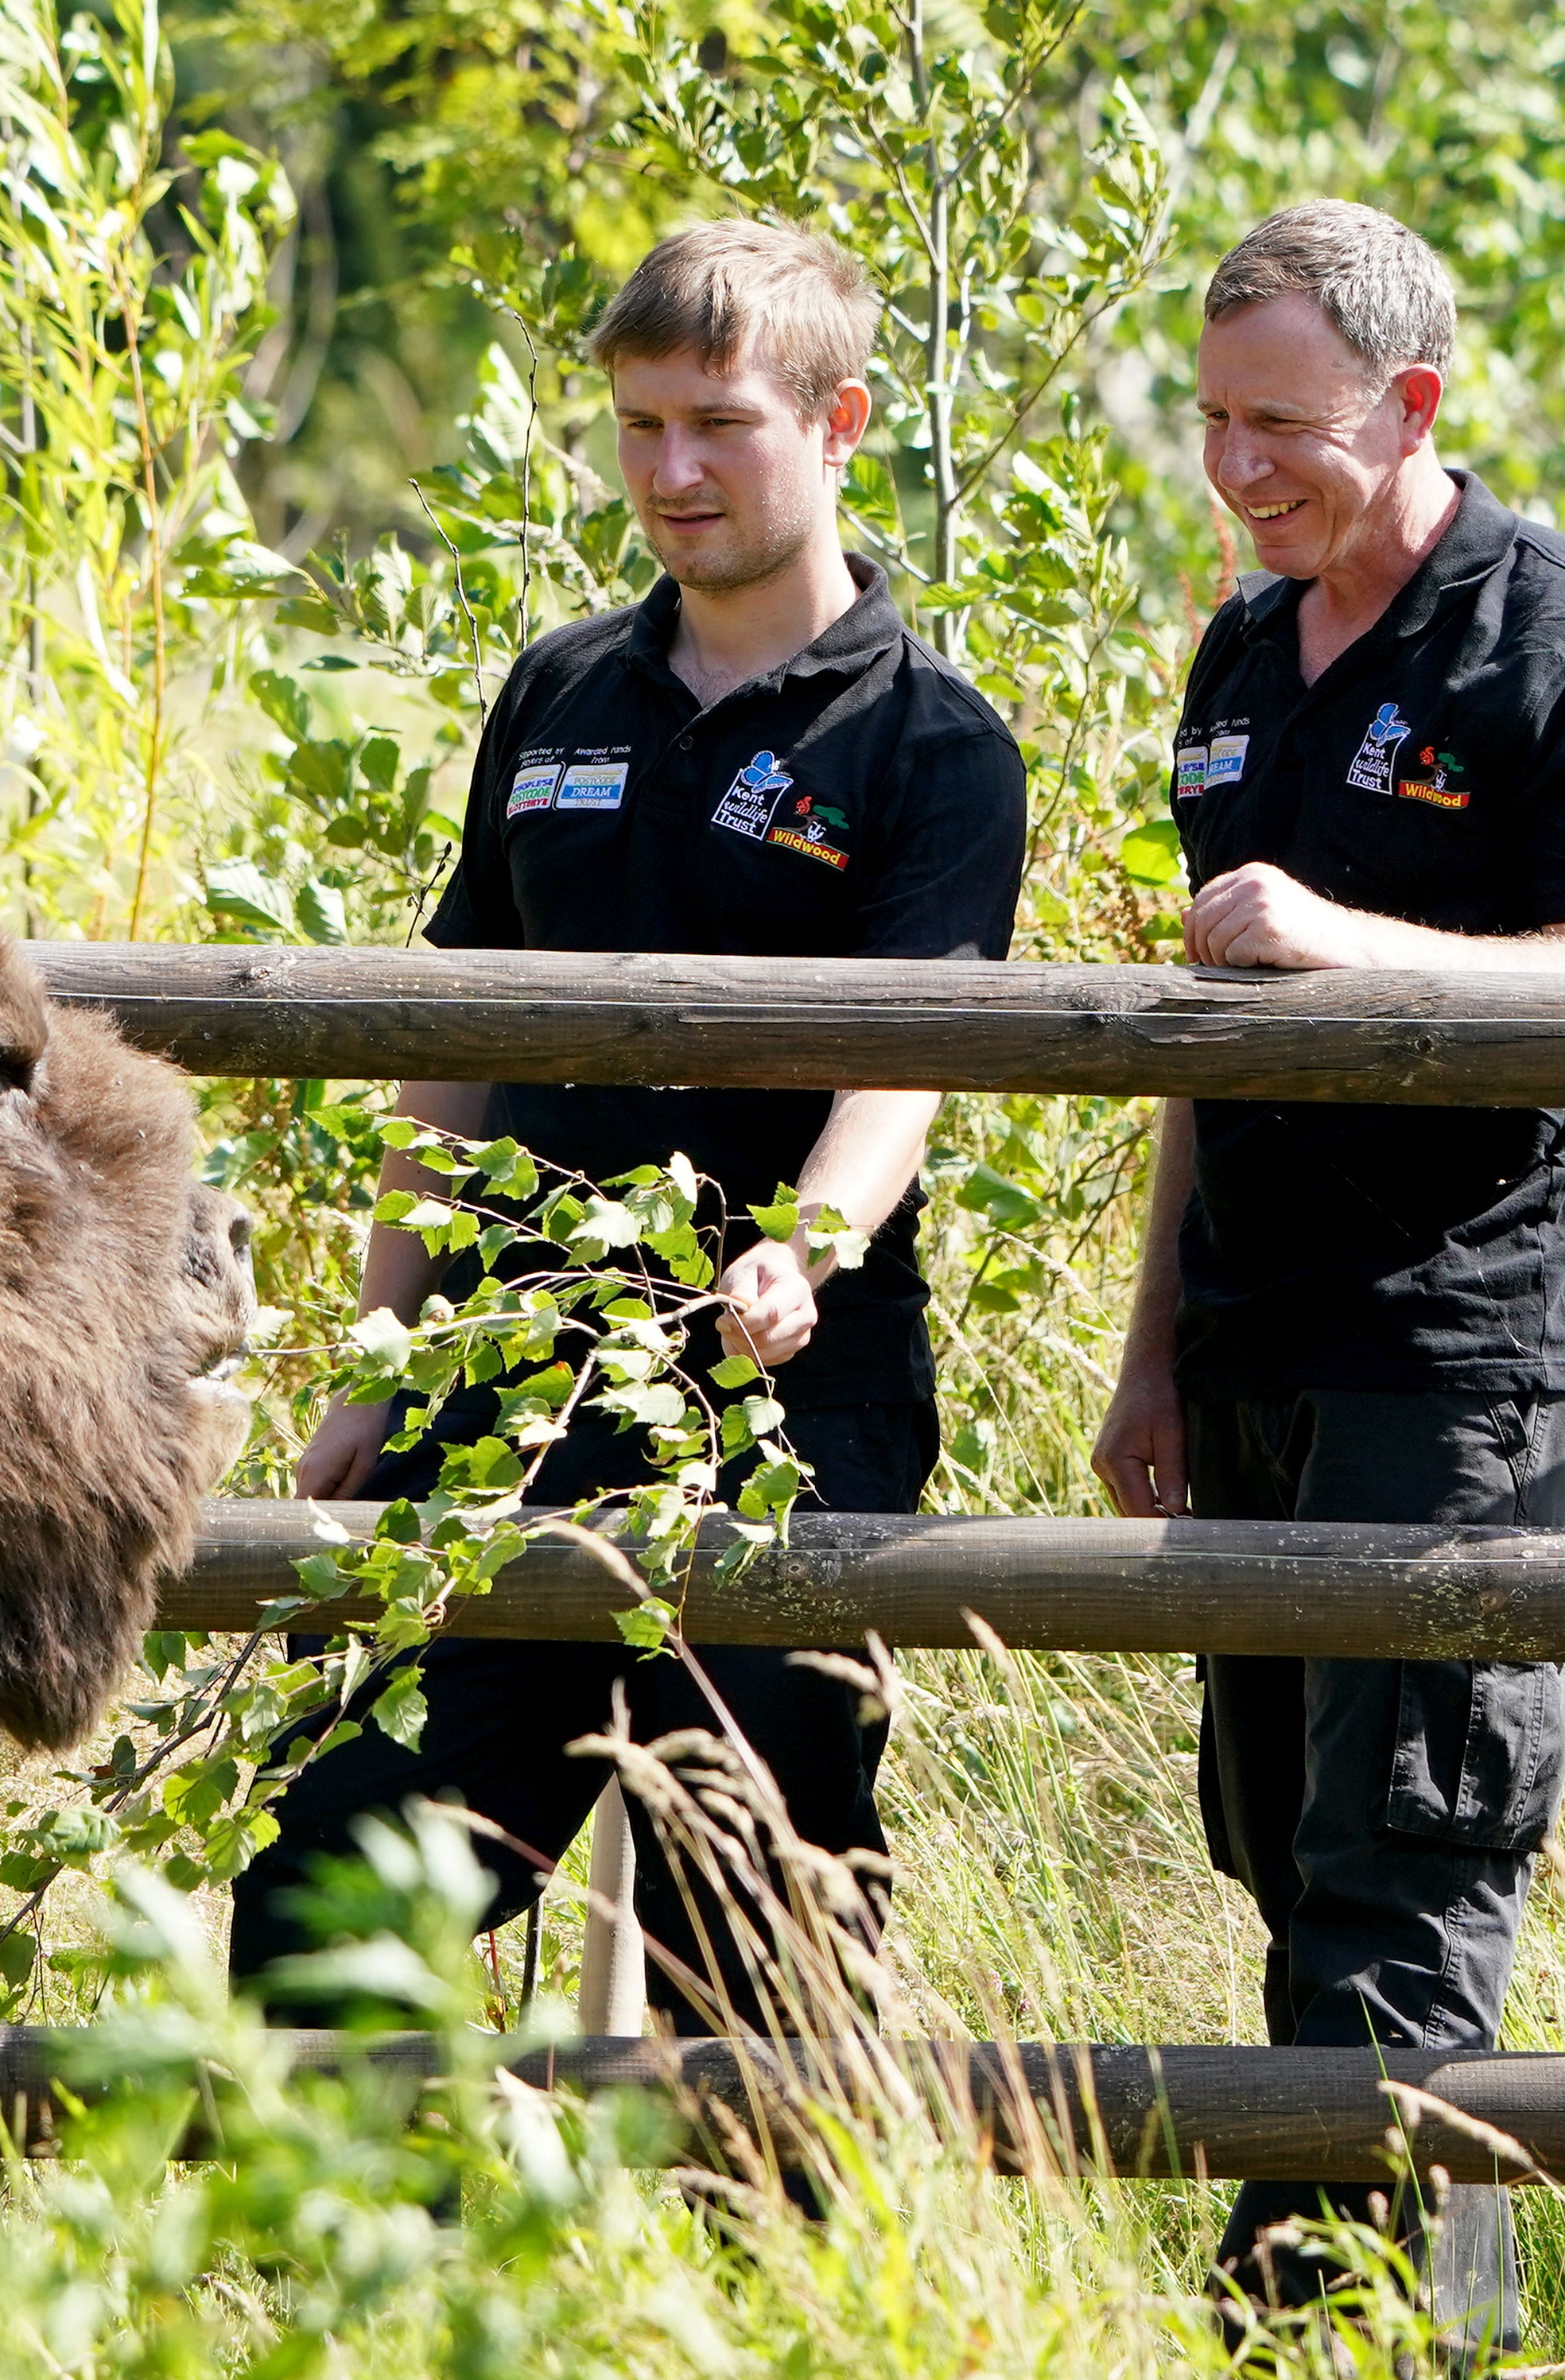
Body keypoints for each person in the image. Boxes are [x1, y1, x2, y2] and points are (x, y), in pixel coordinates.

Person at [229, 219, 1027, 2034]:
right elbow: (453, 1038)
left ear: (839, 427)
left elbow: (907, 1059)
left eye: (719, 424)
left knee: (752, 1917)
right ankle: (405, 2298)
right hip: (510, 1378)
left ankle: (781, 2301)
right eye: (641, 423)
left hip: (780, 1400)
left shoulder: (933, 743)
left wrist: (804, 1250)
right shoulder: (560, 690)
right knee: (330, 1881)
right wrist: (380, 1358)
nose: (671, 471)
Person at [1086, 201, 1565, 2355]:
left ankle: (1356, 2377)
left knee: (1408, 1864)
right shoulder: (1242, 653)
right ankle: (1369, 2340)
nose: (1238, 467)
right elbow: (1201, 1042)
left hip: (1462, 1357)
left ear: (1410, 401)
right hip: (1258, 1343)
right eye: (1211, 422)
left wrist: (1362, 949)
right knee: (1280, 1843)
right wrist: (1152, 1349)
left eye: (1281, 425)